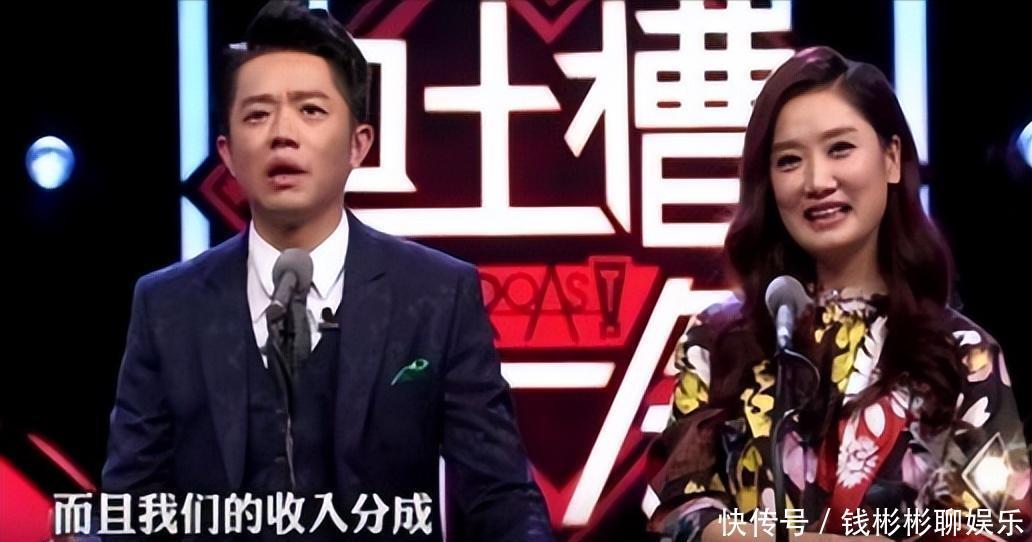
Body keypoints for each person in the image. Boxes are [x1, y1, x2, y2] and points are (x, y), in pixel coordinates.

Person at [101, 2, 552, 540]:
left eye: (311, 110)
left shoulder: (436, 294)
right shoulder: (167, 306)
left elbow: (500, 495)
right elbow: (129, 506)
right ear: (228, 154)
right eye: (257, 114)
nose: (282, 134)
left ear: (359, 144)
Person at [647, 46, 1032, 542]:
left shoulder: (963, 356)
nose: (817, 181)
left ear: (890, 159)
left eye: (840, 149)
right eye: (789, 160)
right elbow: (675, 509)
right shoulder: (716, 341)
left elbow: (999, 525)